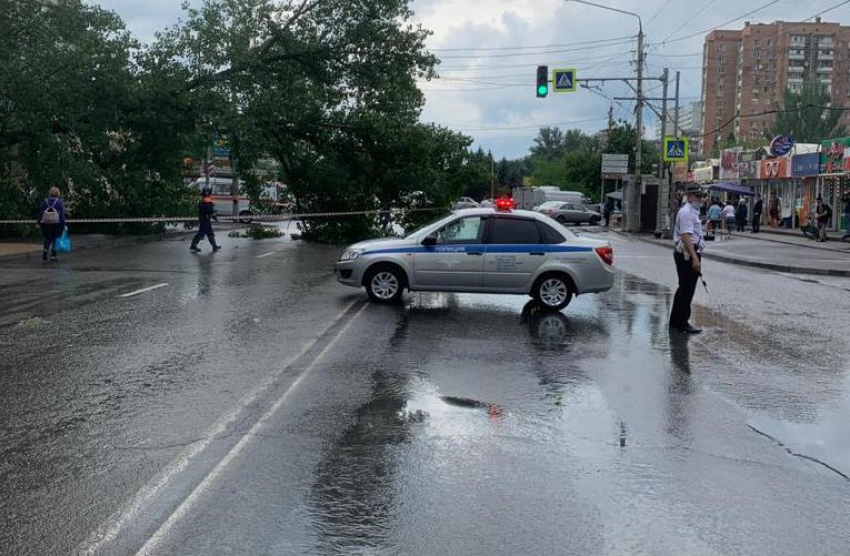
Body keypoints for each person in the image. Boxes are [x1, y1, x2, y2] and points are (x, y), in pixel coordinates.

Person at [670, 184, 706, 335]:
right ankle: (682, 323)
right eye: (697, 196)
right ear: (689, 196)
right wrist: (694, 258)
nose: (700, 199)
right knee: (687, 289)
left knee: (683, 288)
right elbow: (686, 236)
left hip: (688, 253)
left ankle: (675, 321)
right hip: (687, 253)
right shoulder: (686, 212)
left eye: (700, 197)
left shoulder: (692, 212)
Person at [37, 186, 66, 262]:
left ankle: (45, 251)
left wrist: (39, 222)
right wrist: (64, 224)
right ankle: (53, 256)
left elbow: (41, 212)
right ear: (57, 193)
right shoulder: (59, 202)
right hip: (57, 223)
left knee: (47, 238)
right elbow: (62, 215)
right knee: (56, 239)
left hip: (46, 223)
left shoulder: (45, 201)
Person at [190, 186, 221, 253]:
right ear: (209, 192)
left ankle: (214, 246)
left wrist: (212, 214)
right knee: (201, 233)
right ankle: (193, 245)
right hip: (205, 218)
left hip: (205, 218)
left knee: (209, 232)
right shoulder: (207, 200)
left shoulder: (203, 200)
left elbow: (206, 210)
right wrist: (213, 214)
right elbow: (208, 210)